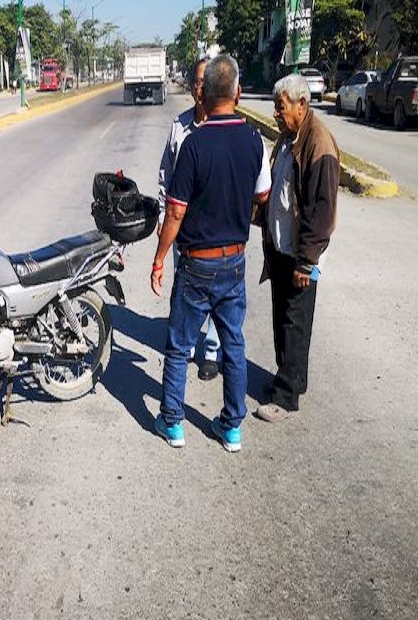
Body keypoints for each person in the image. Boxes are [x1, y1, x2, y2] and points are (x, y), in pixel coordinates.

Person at [151, 54, 271, 452]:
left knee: (179, 344)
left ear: (207, 91)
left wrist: (158, 258)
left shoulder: (194, 143)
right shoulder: (254, 141)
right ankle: (231, 427)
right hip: (234, 260)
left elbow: (175, 210)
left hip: (197, 263)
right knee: (233, 343)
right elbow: (262, 194)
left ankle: (173, 423)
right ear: (236, 92)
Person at [253, 73, 340, 423]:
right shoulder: (290, 137)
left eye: (281, 107)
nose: (276, 113)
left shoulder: (319, 143)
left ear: (301, 105)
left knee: (295, 321)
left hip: (301, 254)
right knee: (282, 318)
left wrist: (307, 261)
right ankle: (288, 379)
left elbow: (323, 210)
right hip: (281, 247)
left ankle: (287, 398)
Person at [157, 57, 221, 382]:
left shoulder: (227, 129)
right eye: (197, 81)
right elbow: (165, 176)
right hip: (183, 228)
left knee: (215, 293)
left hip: (217, 231)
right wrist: (161, 215)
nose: (201, 88)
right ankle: (187, 341)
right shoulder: (179, 127)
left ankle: (211, 348)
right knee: (185, 286)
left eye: (207, 81)